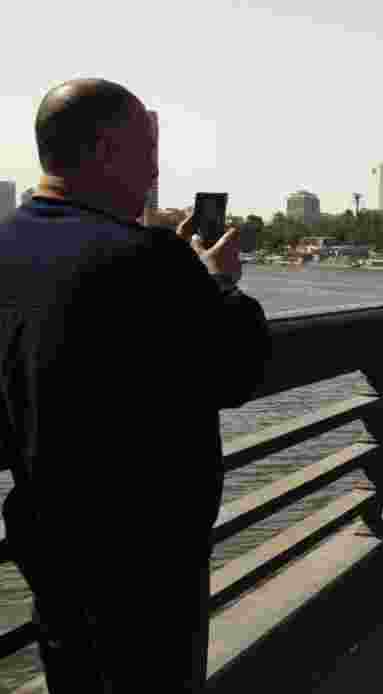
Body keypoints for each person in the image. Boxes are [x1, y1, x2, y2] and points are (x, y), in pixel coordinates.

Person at [0, 78, 271, 692]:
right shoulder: (151, 259)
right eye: (146, 149)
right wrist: (217, 286)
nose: (153, 168)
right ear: (105, 151)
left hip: (47, 543)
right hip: (146, 560)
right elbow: (240, 369)